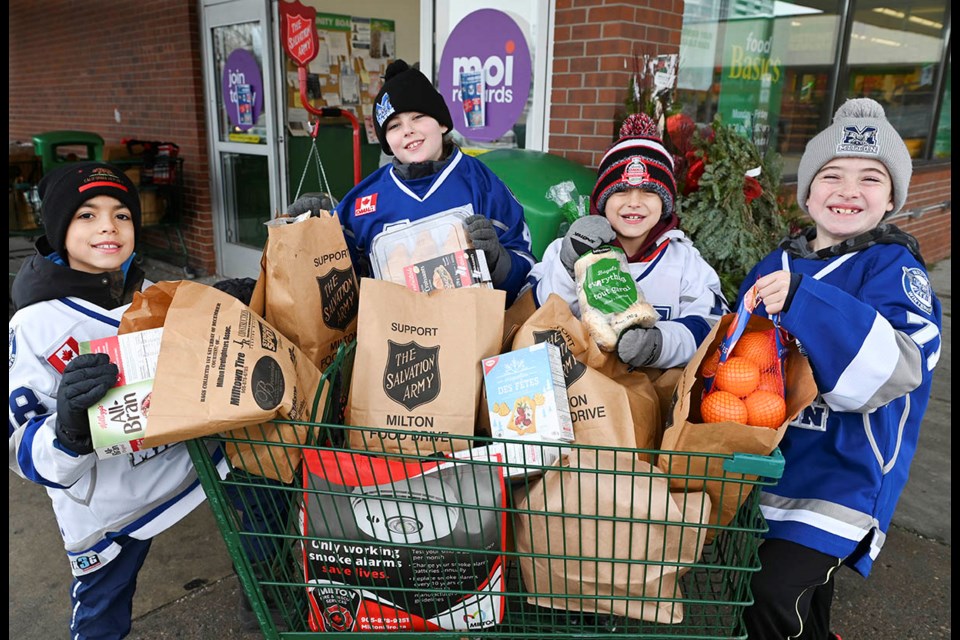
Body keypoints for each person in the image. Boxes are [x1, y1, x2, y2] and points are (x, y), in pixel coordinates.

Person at [739, 98, 943, 640]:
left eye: (870, 178)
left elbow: (899, 368)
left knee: (772, 593)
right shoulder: (775, 264)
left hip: (843, 479)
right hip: (772, 466)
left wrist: (807, 303)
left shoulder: (895, 270)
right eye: (831, 175)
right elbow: (737, 355)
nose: (849, 190)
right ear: (807, 193)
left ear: (893, 198)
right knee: (800, 594)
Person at [8, 161, 231, 639]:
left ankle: (272, 596)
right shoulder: (32, 327)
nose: (108, 225)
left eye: (121, 214)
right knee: (103, 606)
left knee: (256, 490)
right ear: (58, 230)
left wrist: (224, 310)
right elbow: (21, 448)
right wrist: (67, 429)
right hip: (109, 502)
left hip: (182, 462)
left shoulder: (150, 293)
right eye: (86, 215)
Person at [288, 59, 535, 306]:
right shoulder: (365, 199)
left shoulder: (483, 185)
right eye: (394, 125)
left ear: (442, 122)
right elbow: (335, 276)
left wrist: (498, 261)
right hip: (394, 335)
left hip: (473, 333)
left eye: (418, 117)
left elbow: (527, 269)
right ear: (387, 140)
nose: (408, 130)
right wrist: (311, 230)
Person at [522, 112, 729, 369]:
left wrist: (659, 344)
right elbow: (532, 314)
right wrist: (567, 267)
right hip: (578, 394)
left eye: (649, 192)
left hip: (656, 399)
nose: (634, 202)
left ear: (665, 203)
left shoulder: (684, 261)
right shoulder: (567, 248)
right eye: (620, 191)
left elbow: (710, 326)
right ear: (602, 199)